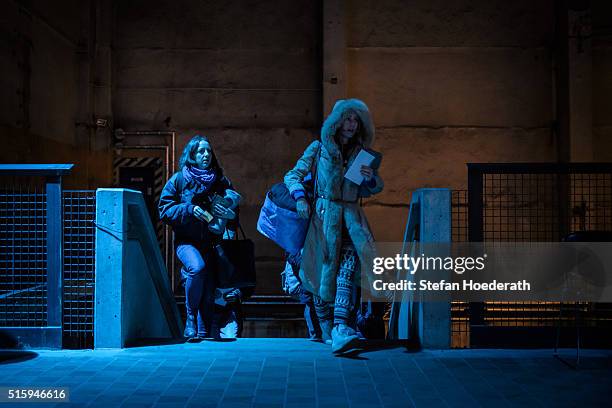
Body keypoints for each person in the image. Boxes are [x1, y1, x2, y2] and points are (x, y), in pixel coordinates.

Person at [284, 99, 383, 353]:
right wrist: (300, 198)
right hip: (323, 218)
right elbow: (292, 175)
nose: (351, 125)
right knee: (320, 274)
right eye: (347, 119)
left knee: (347, 271)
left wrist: (371, 180)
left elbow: (374, 187)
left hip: (351, 219)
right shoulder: (319, 148)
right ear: (336, 121)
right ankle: (328, 327)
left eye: (355, 120)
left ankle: (340, 327)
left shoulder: (362, 153)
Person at [159, 134, 240, 339]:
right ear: (192, 155)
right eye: (200, 151)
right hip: (187, 242)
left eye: (208, 151)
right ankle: (190, 319)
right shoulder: (179, 179)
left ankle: (202, 333)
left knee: (208, 289)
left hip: (213, 243)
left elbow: (232, 196)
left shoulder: (219, 179)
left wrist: (228, 205)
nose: (206, 154)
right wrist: (189, 209)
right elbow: (164, 210)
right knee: (197, 268)